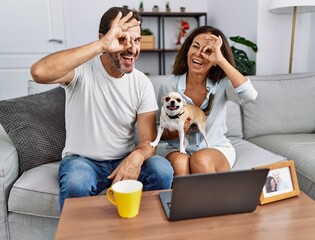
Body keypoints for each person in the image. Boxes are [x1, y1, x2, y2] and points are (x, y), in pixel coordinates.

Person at [30, 7, 173, 211]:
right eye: (122, 39)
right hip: (83, 162)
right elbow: (39, 72)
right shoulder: (82, 70)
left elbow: (148, 141)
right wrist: (101, 45)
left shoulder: (142, 82)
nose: (132, 49)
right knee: (76, 182)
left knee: (162, 170)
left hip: (123, 159)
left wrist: (137, 156)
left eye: (137, 40)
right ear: (103, 39)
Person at [156, 26, 258, 176]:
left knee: (201, 159)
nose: (199, 54)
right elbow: (160, 130)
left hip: (215, 147)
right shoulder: (169, 86)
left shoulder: (223, 85)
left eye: (208, 51)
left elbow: (249, 95)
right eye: (195, 46)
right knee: (180, 163)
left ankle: (211, 199)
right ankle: (185, 199)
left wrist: (221, 60)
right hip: (178, 147)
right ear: (187, 50)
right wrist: (177, 130)